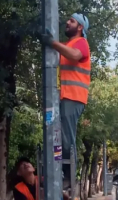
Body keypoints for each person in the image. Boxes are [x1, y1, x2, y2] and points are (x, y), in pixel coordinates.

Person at [38, 13, 91, 190]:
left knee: (67, 138)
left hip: (74, 97)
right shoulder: (68, 44)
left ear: (80, 27)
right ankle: (59, 172)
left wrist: (53, 43)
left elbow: (75, 55)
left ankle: (69, 177)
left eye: (72, 21)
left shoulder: (81, 43)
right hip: (65, 97)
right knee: (58, 137)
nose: (67, 22)